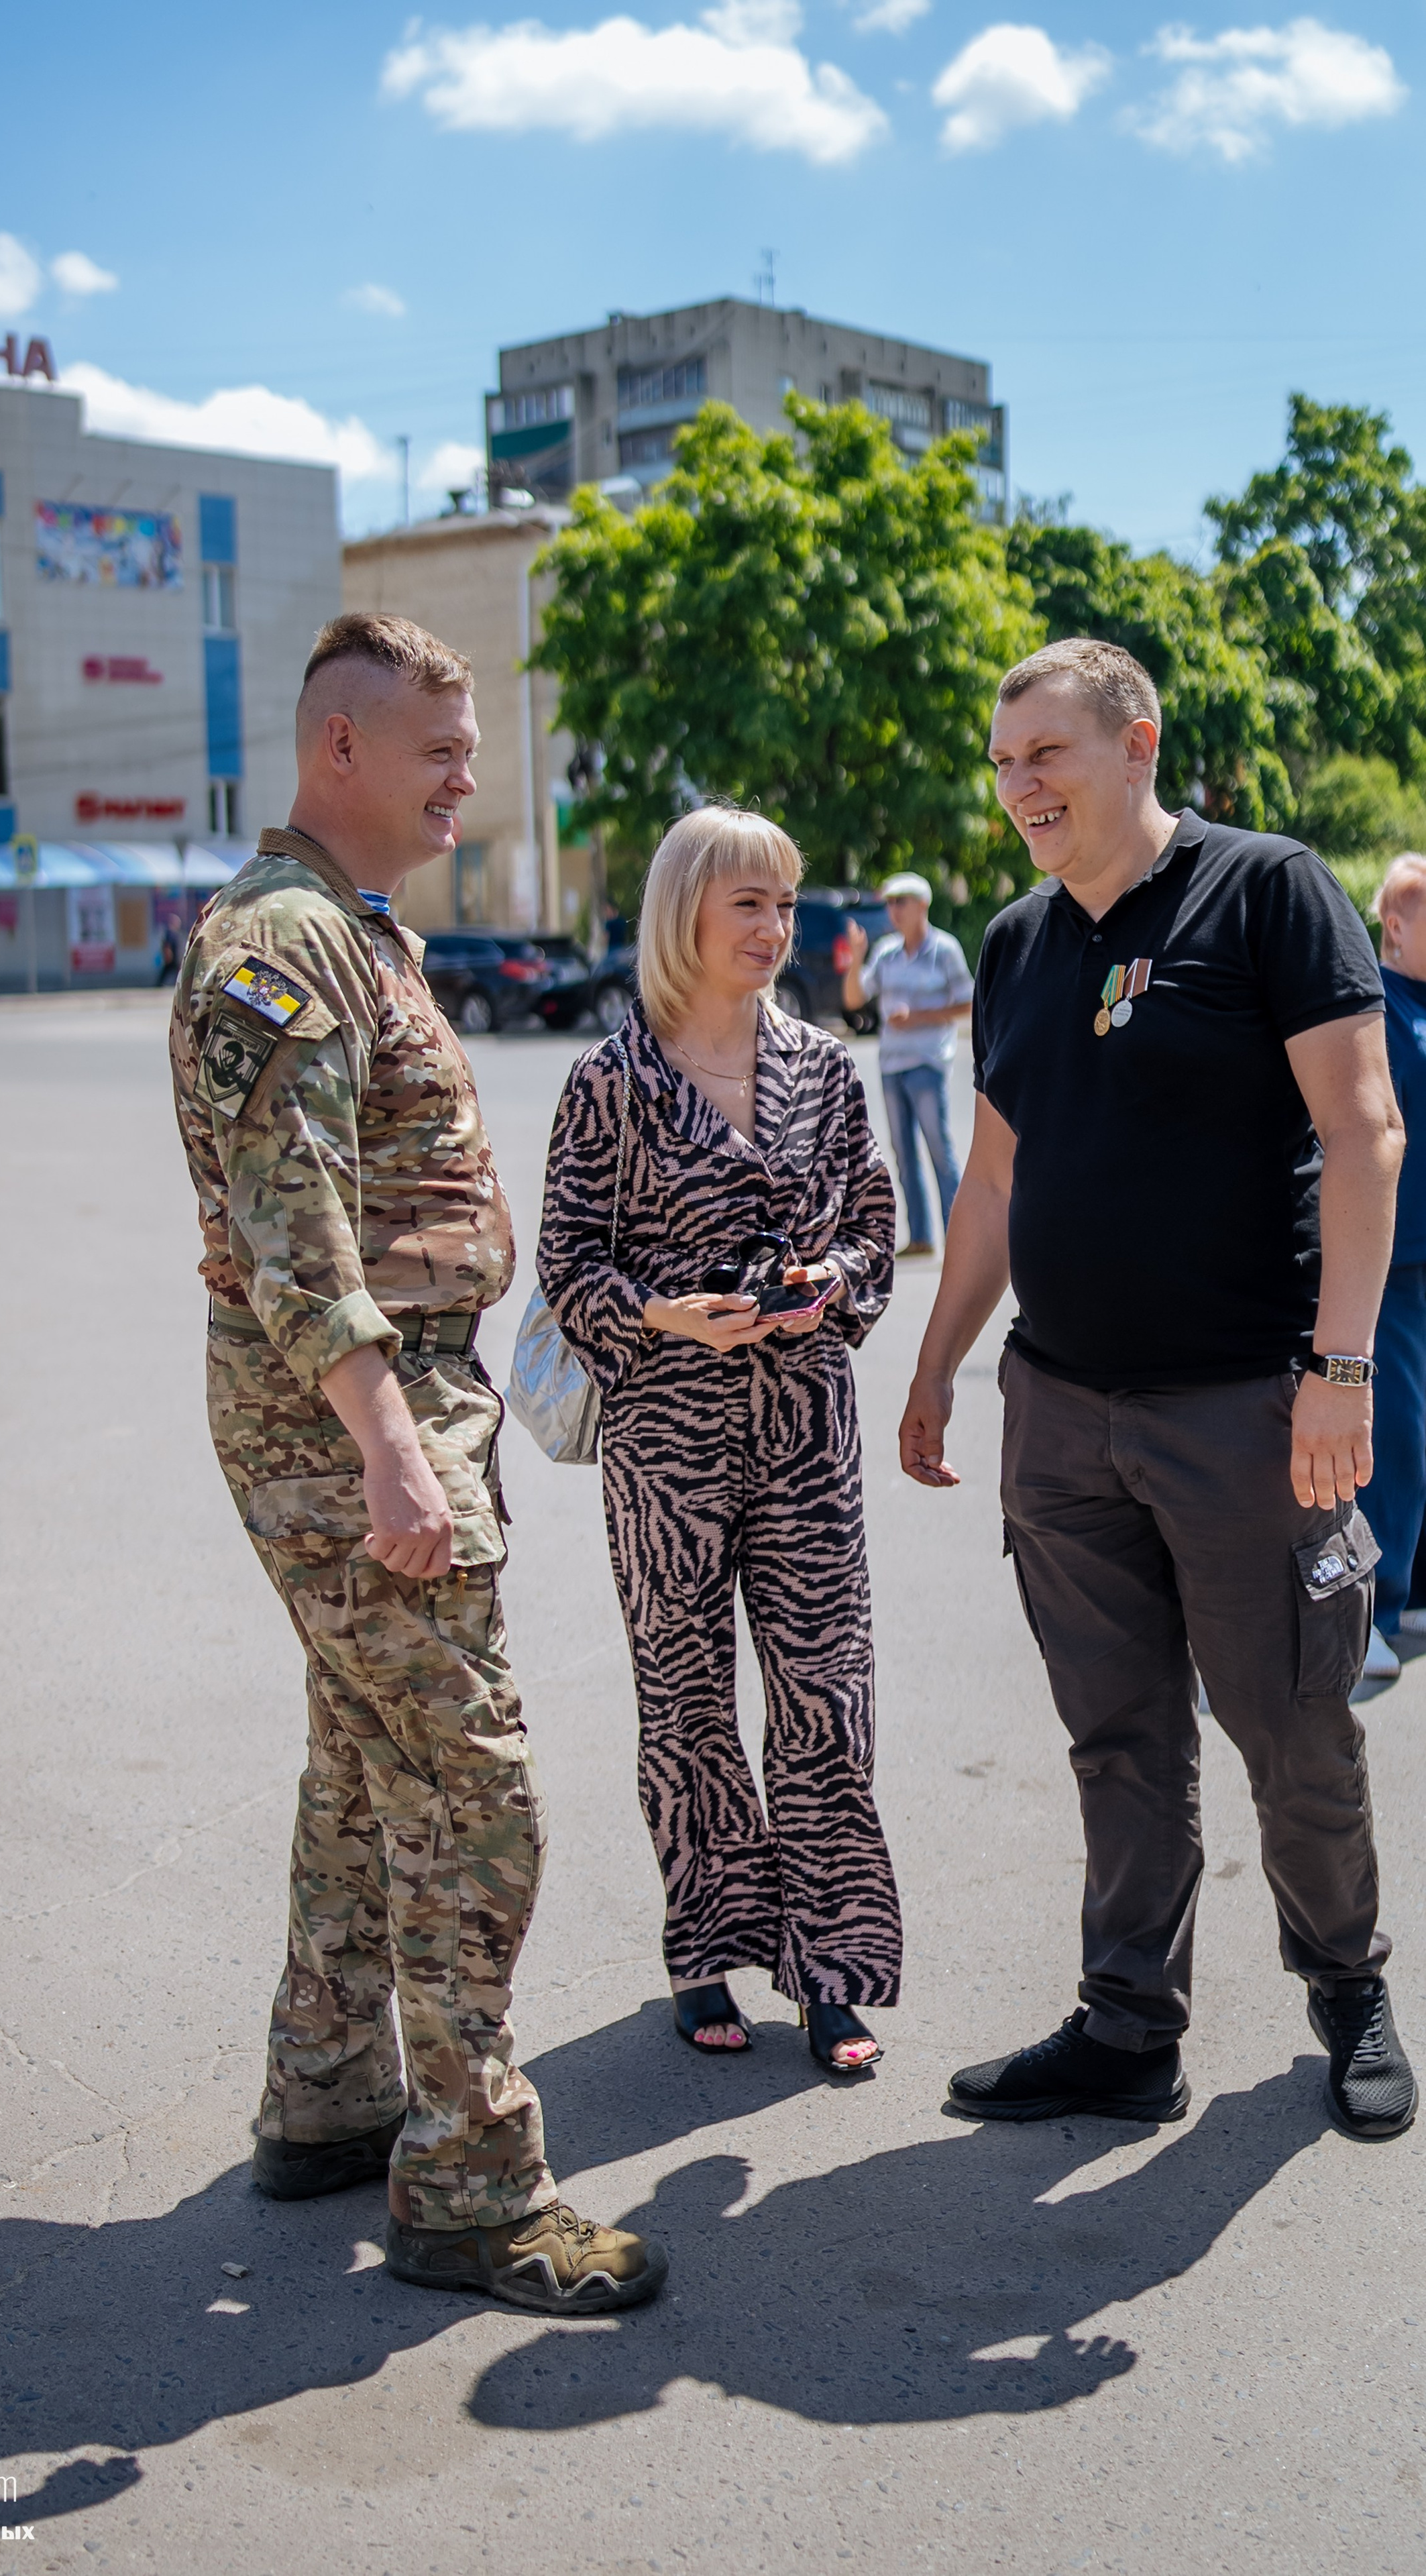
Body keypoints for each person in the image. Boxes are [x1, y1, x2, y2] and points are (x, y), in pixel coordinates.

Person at [169, 610, 665, 2313]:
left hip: (386, 1406)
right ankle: (467, 2187)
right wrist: (394, 1451)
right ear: (338, 750)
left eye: (469, 746)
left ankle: (328, 2096)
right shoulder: (282, 936)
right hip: (346, 1423)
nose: (466, 774)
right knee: (473, 1794)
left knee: (362, 1759)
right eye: (436, 749)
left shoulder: (352, 929)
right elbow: (290, 1223)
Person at [899, 635, 1417, 2144]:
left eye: (1042, 756)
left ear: (1135, 746)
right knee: (1116, 1737)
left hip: (1244, 1410)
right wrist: (937, 1363)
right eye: (1000, 765)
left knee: (1294, 1723)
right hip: (1059, 1414)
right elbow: (993, 1179)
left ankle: (1345, 1991)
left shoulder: (1264, 892)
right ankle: (1128, 2027)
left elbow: (1365, 1128)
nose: (1016, 789)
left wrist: (1336, 1368)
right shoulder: (1013, 943)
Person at [537, 808, 902, 2076]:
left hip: (806, 1430)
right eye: (746, 900)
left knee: (824, 1695)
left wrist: (828, 1283)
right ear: (683, 910)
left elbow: (874, 1224)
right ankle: (704, 1944)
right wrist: (658, 1314)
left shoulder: (823, 1066)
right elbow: (567, 1265)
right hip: (666, 1441)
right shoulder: (611, 1081)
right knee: (684, 1701)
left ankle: (832, 1963)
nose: (774, 927)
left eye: (784, 903)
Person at [1357, 855, 1426, 1678]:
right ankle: (1370, 1608)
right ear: (1396, 926)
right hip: (1394, 1257)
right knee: (1395, 1438)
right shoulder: (1372, 1007)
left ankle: (1412, 1595)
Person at [842, 872, 973, 1258]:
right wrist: (855, 961)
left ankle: (959, 1238)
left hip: (928, 1062)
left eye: (901, 902)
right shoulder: (885, 952)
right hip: (892, 1065)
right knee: (903, 1154)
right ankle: (921, 1237)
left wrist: (918, 1016)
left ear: (922, 906)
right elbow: (853, 999)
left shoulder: (944, 949)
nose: (893, 910)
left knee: (939, 1149)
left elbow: (969, 1003)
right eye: (890, 903)